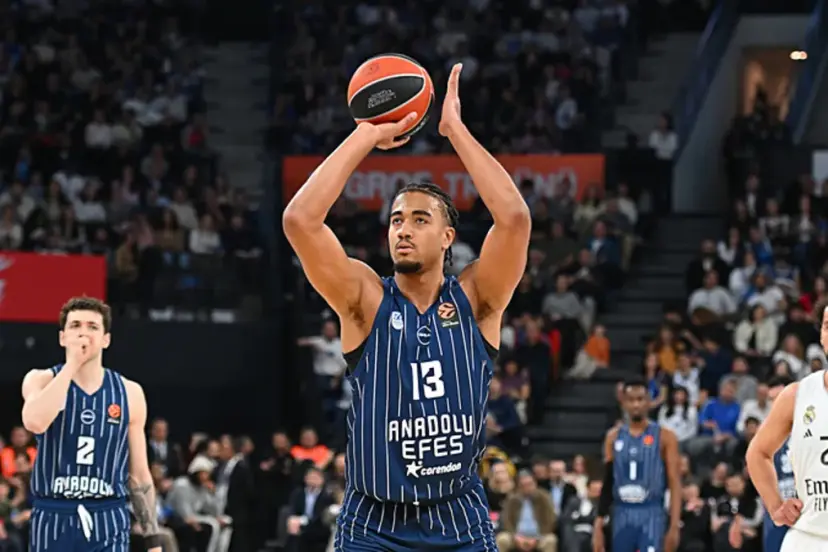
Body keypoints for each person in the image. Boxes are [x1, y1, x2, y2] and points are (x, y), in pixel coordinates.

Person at [283, 63, 531, 551]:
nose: (403, 229)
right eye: (397, 220)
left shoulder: (477, 299)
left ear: (448, 237)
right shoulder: (364, 300)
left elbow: (515, 218)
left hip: (457, 518)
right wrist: (366, 134)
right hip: (374, 522)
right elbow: (300, 220)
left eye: (420, 220)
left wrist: (455, 132)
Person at [20, 297, 162, 552]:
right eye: (75, 325)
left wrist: (153, 540)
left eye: (92, 327)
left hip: (107, 515)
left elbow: (139, 474)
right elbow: (35, 422)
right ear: (62, 337)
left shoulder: (129, 392)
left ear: (106, 340)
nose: (83, 333)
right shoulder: (40, 379)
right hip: (54, 515)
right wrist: (72, 364)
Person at [746, 305, 828, 551]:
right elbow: (757, 453)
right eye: (827, 326)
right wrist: (775, 507)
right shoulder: (797, 395)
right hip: (808, 538)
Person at [592, 377, 682, 552]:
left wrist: (674, 525)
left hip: (652, 511)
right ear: (623, 403)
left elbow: (674, 482)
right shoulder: (612, 437)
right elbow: (608, 482)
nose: (636, 405)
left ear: (649, 401)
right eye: (631, 400)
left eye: (640, 399)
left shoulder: (665, 436)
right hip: (621, 512)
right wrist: (598, 523)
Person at [730, 375, 795, 552]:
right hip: (777, 514)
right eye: (772, 401)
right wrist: (739, 518)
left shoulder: (812, 428)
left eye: (780, 399)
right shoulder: (766, 436)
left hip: (807, 512)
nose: (776, 406)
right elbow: (755, 478)